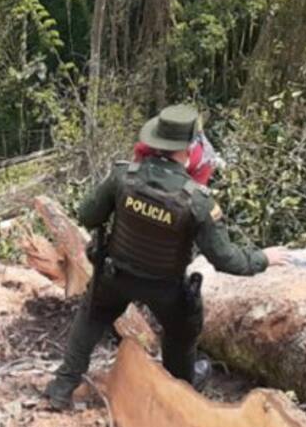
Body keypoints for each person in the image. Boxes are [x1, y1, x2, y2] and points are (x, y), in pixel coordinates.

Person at [43, 104, 288, 409]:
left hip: (116, 275)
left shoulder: (123, 176)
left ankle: (62, 387)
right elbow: (228, 260)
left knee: (91, 315)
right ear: (189, 148)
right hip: (165, 287)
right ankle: (179, 392)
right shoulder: (197, 200)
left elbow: (88, 216)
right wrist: (262, 258)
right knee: (183, 329)